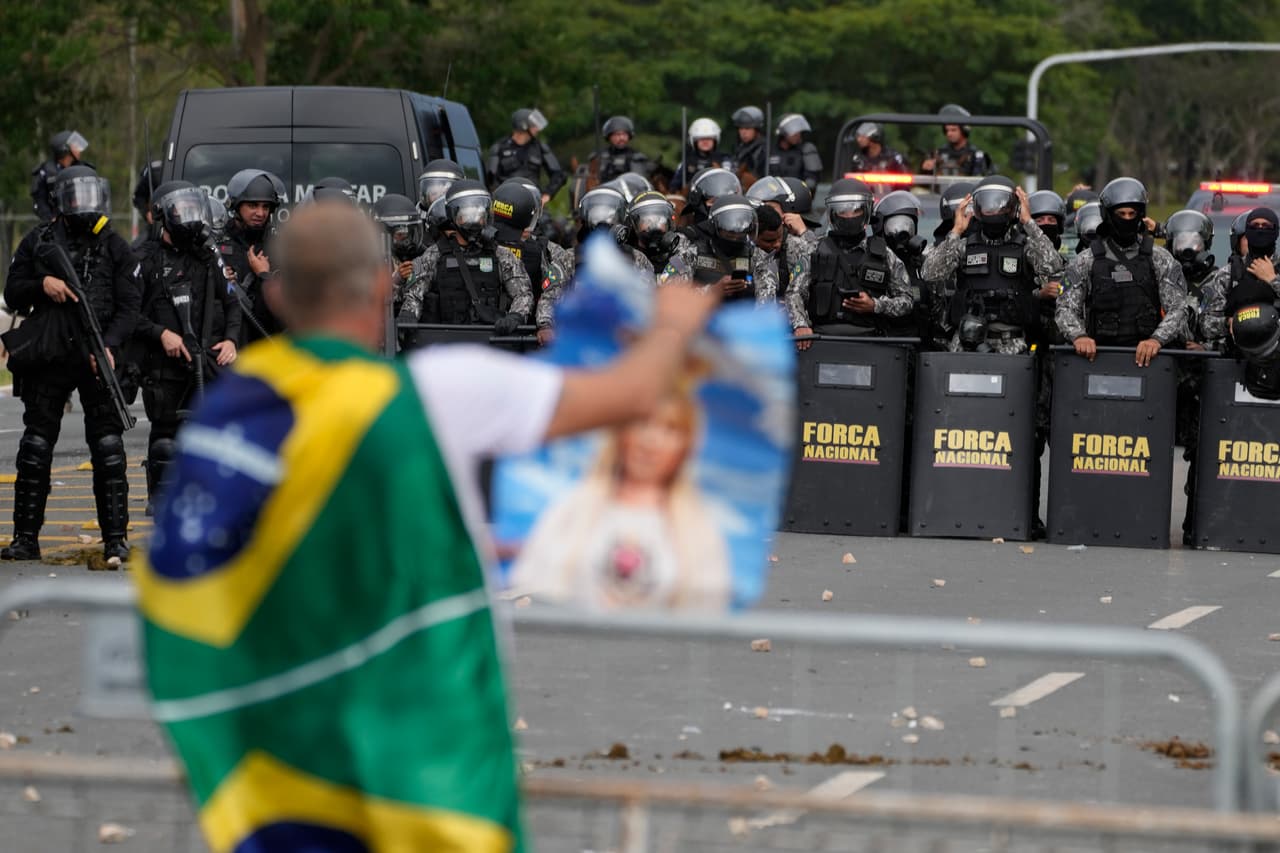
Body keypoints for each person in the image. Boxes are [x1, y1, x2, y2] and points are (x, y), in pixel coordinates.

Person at [135, 199, 720, 853]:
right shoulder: (438, 391)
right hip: (412, 763)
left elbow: (296, 545)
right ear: (385, 282)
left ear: (275, 290)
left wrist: (455, 541)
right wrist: (673, 322)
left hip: (284, 759)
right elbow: (633, 393)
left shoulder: (237, 406)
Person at [1, 165, 141, 562]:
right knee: (35, 444)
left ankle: (115, 538)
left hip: (96, 354)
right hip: (50, 353)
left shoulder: (113, 244)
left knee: (109, 446)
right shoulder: (39, 240)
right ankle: (25, 538)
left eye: (89, 195)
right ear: (61, 200)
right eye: (75, 196)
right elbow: (13, 293)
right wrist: (41, 285)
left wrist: (110, 345)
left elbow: (131, 306)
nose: (84, 204)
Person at [510, 384, 730, 610]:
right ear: (621, 434)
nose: (651, 442)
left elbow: (708, 612)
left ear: (685, 447)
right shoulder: (574, 507)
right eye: (642, 423)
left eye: (670, 430)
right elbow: (531, 589)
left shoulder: (698, 529)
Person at [135, 182, 240, 512]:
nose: (187, 216)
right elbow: (128, 314)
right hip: (163, 363)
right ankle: (161, 499)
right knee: (165, 436)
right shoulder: (145, 258)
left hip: (205, 360)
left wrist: (232, 341)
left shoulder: (208, 256)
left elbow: (233, 303)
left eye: (192, 208)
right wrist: (161, 333)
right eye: (180, 209)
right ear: (164, 214)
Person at [922, 175, 1062, 355]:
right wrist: (956, 231)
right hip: (966, 344)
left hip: (1011, 343)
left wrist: (1029, 223)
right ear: (978, 208)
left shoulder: (1025, 246)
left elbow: (1054, 266)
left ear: (1013, 208)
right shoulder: (964, 247)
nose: (994, 211)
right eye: (988, 206)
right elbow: (930, 273)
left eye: (1000, 206)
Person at [1056, 177, 1187, 369]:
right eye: (1121, 213)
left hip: (1149, 359)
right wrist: (1079, 336)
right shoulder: (1085, 260)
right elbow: (1064, 307)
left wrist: (1157, 340)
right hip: (1097, 358)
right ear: (1108, 215)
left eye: (1132, 213)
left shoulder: (1160, 258)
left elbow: (1178, 308)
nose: (1127, 219)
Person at [396, 180, 532, 342]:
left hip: (489, 342)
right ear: (453, 215)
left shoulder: (501, 255)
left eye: (479, 214)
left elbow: (523, 293)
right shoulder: (433, 255)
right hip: (446, 344)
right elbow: (414, 294)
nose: (474, 221)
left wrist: (515, 316)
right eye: (466, 215)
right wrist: (408, 314)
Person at [786, 178, 914, 347]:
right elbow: (794, 293)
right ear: (832, 213)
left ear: (866, 211)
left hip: (869, 344)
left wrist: (875, 305)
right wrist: (800, 325)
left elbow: (907, 300)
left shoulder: (885, 255)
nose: (849, 216)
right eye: (842, 211)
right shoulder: (813, 250)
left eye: (855, 210)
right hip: (821, 342)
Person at [491, 178, 573, 344]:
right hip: (484, 328)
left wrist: (545, 325)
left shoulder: (549, 250)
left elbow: (557, 292)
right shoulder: (482, 245)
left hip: (530, 333)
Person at [218, 168, 287, 344]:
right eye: (253, 205)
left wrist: (265, 276)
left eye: (265, 207)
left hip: (267, 346)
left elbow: (288, 309)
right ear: (236, 206)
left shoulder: (278, 247)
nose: (260, 213)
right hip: (228, 347)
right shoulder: (216, 245)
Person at [668, 194, 778, 303]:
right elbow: (671, 295)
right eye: (730, 232)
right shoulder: (688, 254)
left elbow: (767, 302)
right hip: (702, 318)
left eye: (741, 232)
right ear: (713, 226)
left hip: (743, 318)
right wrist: (713, 291)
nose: (736, 236)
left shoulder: (760, 258)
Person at [1198, 206, 1280, 352]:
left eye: (1266, 226)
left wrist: (1273, 280)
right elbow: (1206, 325)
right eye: (1255, 226)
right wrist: (1229, 323)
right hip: (1236, 361)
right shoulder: (1228, 274)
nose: (1260, 229)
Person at [486, 108, 566, 205]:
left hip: (533, 203)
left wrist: (547, 195)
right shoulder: (499, 148)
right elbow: (490, 179)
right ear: (523, 125)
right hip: (506, 204)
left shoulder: (539, 147)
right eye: (533, 125)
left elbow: (559, 175)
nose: (537, 128)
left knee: (551, 220)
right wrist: (498, 199)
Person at [372, 193, 429, 305]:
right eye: (400, 234)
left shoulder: (424, 255)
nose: (406, 240)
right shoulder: (369, 260)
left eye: (409, 233)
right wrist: (396, 279)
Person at [31, 130, 89, 221]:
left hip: (82, 221)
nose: (79, 149)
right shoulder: (45, 173)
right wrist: (51, 220)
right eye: (75, 146)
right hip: (56, 225)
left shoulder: (84, 169)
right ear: (64, 149)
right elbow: (39, 202)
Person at [920, 105, 993, 177]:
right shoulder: (938, 153)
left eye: (953, 130)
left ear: (964, 130)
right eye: (947, 130)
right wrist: (926, 170)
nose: (949, 134)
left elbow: (981, 179)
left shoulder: (976, 155)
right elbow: (925, 183)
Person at [671, 118, 734, 192]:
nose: (705, 142)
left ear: (715, 140)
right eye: (701, 139)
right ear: (694, 141)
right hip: (692, 200)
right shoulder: (688, 161)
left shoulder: (724, 159)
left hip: (717, 199)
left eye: (709, 138)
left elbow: (731, 183)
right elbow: (674, 186)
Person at [768, 113, 822, 195]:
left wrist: (799, 192)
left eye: (798, 131)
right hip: (774, 197)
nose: (797, 134)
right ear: (783, 132)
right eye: (793, 131)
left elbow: (812, 180)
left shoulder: (806, 150)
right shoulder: (770, 151)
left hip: (798, 198)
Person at [590, 116, 653, 184]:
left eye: (624, 134)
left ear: (629, 136)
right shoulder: (599, 157)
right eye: (617, 135)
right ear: (609, 137)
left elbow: (639, 184)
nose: (621, 138)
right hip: (603, 192)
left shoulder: (637, 158)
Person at [732, 105, 768, 179]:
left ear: (756, 129)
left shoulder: (764, 149)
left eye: (747, 128)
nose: (743, 132)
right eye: (741, 128)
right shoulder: (740, 147)